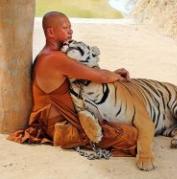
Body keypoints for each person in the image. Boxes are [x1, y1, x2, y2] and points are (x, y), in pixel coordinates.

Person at [8, 11, 137, 157]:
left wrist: (112, 73)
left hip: (65, 119)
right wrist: (116, 76)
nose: (71, 30)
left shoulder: (54, 54)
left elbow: (88, 73)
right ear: (51, 32)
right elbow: (100, 76)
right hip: (59, 125)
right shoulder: (53, 58)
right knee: (131, 136)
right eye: (65, 27)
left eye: (70, 26)